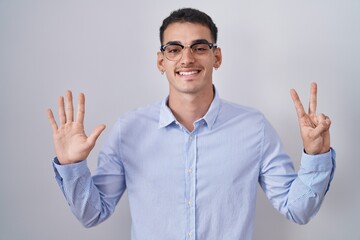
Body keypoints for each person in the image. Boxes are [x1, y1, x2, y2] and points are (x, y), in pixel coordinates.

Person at [47, 8, 335, 240]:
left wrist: (315, 156)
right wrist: (72, 167)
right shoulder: (129, 130)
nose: (187, 58)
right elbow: (92, 214)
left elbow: (298, 210)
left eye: (199, 47)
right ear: (161, 61)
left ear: (216, 56)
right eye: (174, 49)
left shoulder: (254, 128)